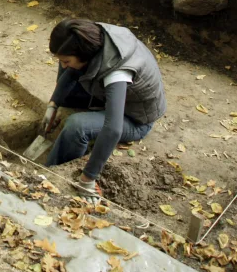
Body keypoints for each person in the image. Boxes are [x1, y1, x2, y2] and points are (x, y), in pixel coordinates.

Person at [41, 18, 166, 197]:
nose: (63, 65)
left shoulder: (117, 72)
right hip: (112, 96)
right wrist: (53, 104)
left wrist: (88, 179)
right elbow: (70, 69)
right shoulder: (91, 36)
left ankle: (53, 173)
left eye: (66, 61)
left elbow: (113, 129)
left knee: (77, 126)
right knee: (69, 71)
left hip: (135, 119)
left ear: (84, 54)